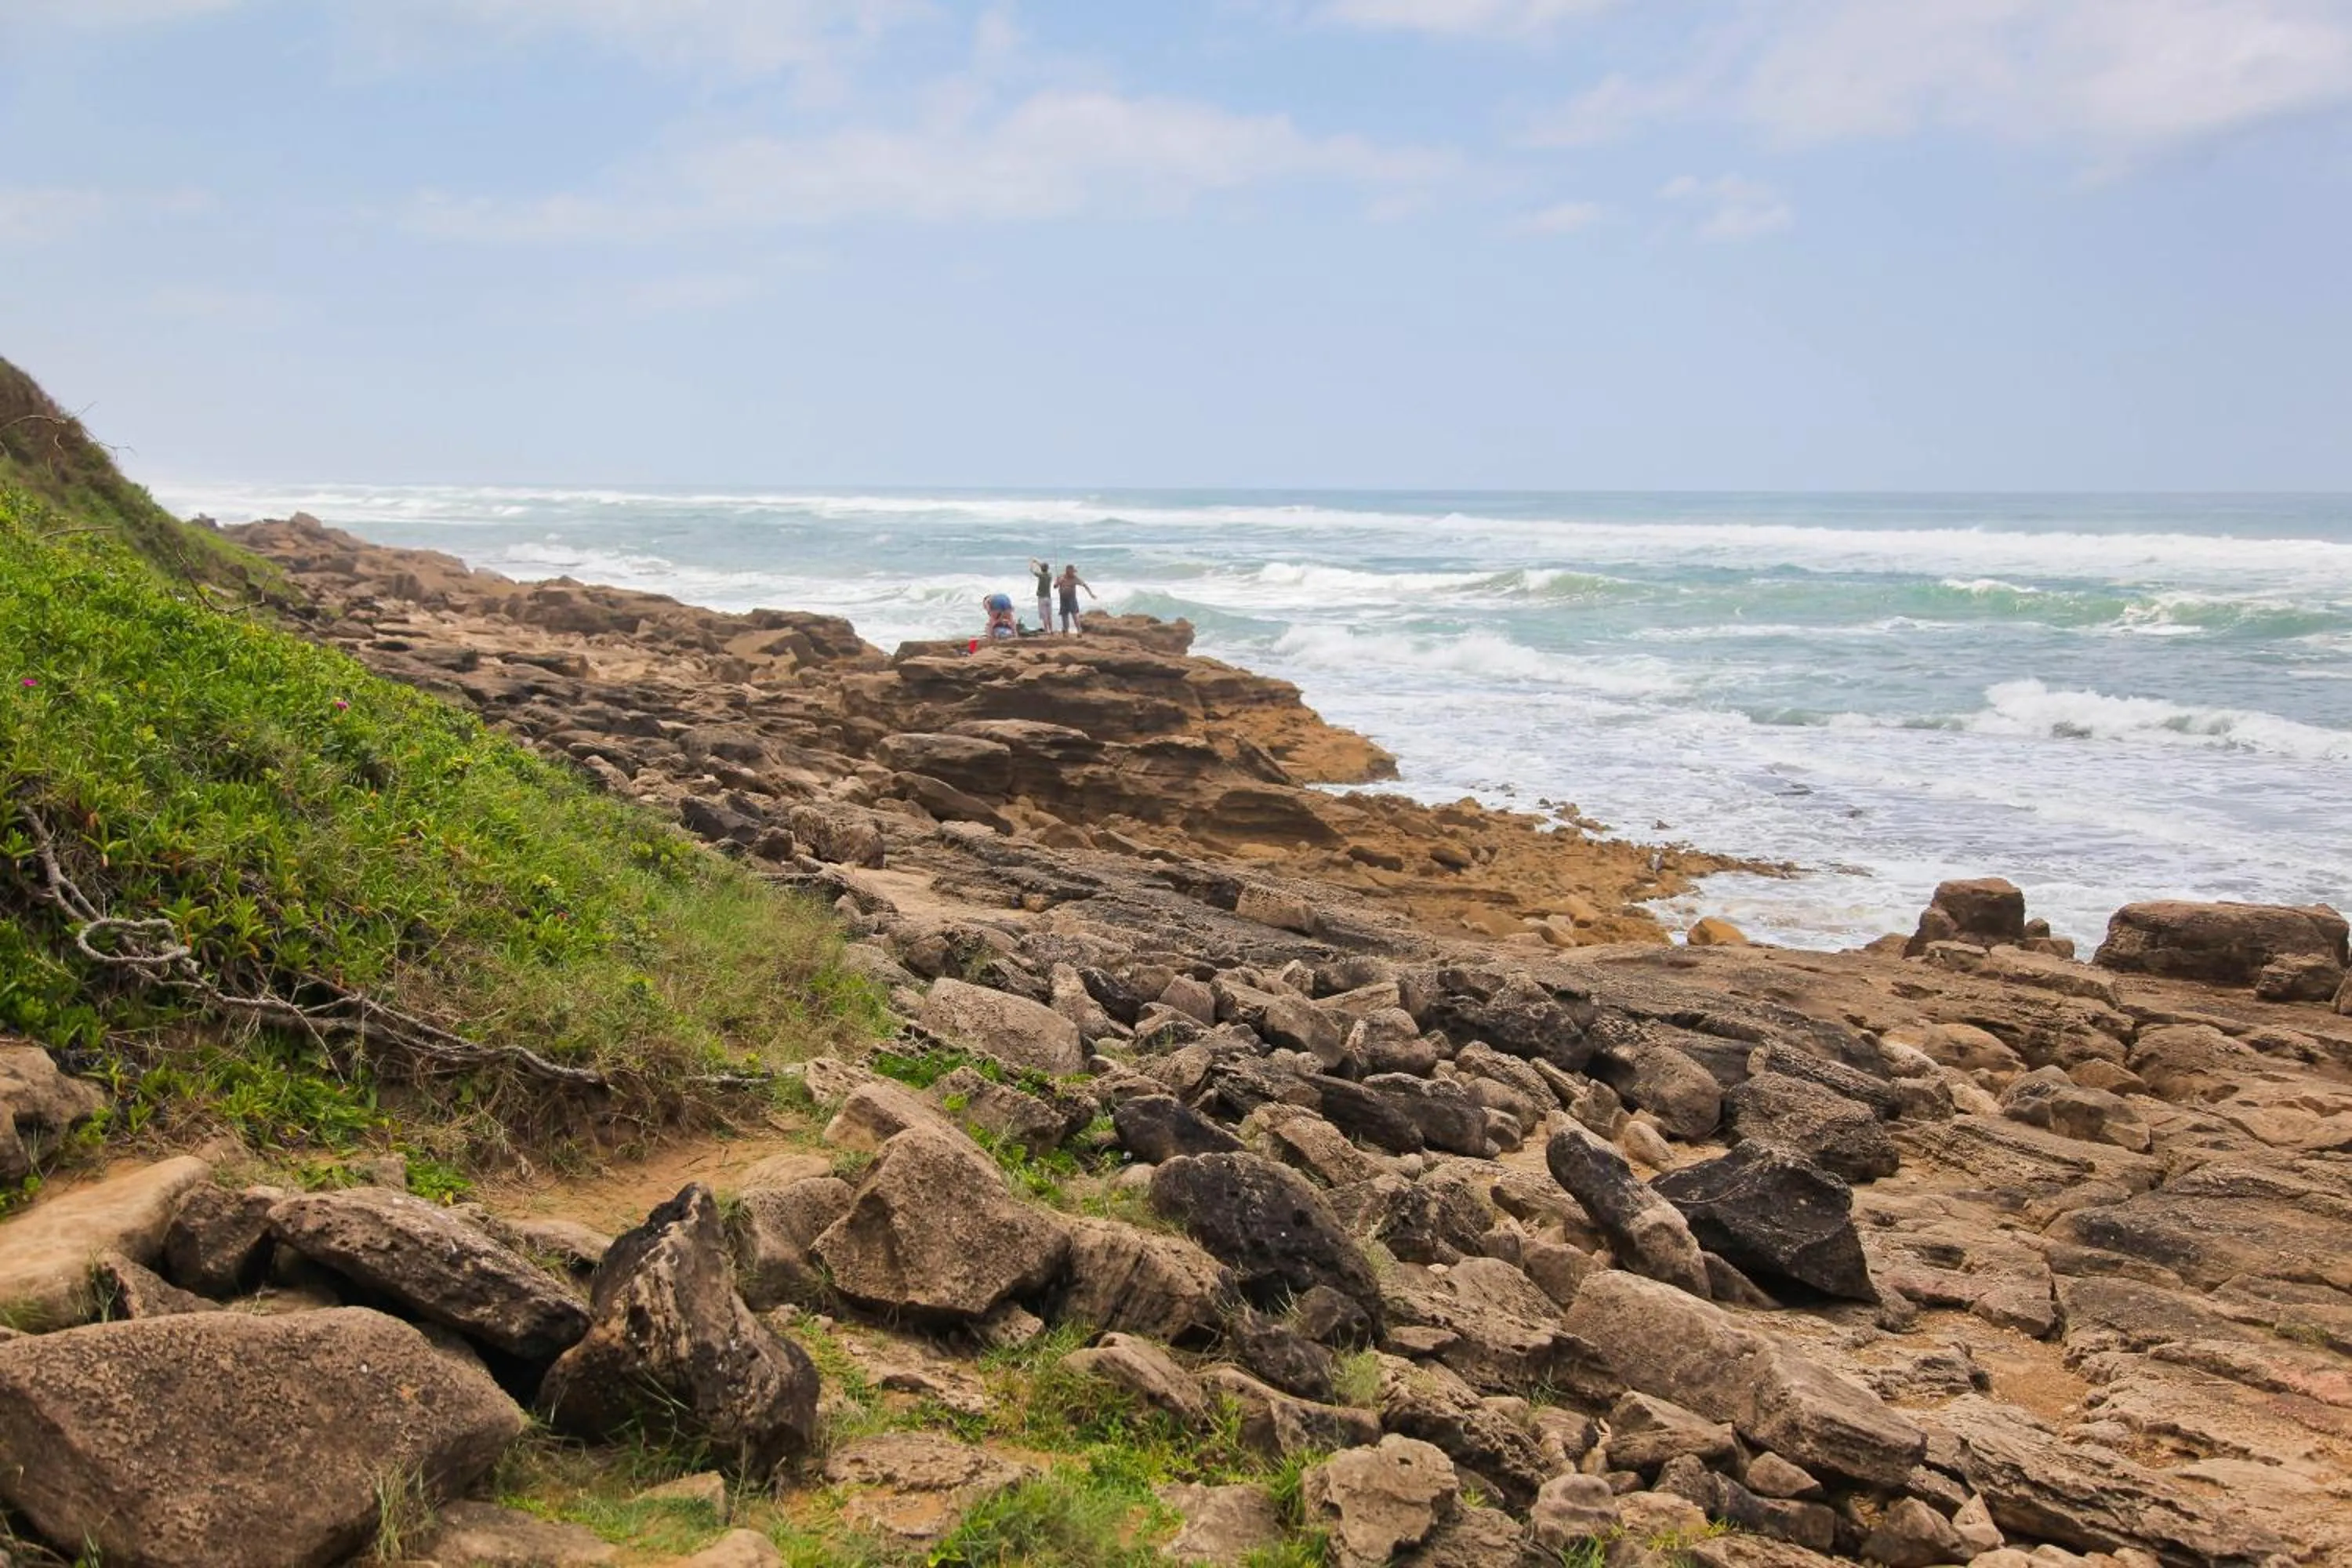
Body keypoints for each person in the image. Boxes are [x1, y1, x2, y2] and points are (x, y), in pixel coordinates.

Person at [1055, 563, 1095, 634]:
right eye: (1072, 572)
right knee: (1064, 615)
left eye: (1073, 572)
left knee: (1074, 614)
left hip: (1071, 598)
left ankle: (1079, 630)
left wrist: (1091, 594)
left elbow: (1084, 585)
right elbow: (1055, 586)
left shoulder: (1075, 578)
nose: (1073, 573)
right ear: (1067, 571)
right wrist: (1058, 582)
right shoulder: (1060, 577)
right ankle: (1065, 630)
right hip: (1063, 599)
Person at [1029, 558, 1054, 635]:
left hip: (1041, 598)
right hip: (1049, 598)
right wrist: (1037, 562)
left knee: (1044, 616)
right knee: (1049, 615)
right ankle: (1051, 630)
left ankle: (1047, 631)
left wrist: (1032, 563)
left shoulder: (1040, 575)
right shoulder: (1050, 575)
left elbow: (1032, 570)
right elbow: (1043, 568)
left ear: (1042, 569)